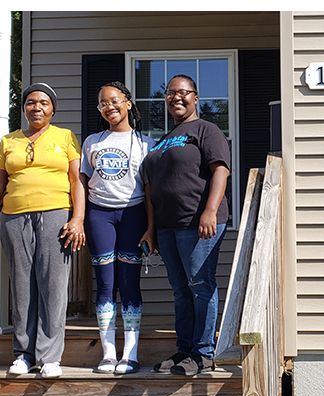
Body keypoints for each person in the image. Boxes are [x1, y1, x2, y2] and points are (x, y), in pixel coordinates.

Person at [0, 83, 85, 379]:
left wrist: (78, 219)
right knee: (21, 285)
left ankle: (49, 357)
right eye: (31, 102)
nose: (36, 107)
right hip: (14, 217)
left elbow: (77, 181)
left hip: (56, 213)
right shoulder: (9, 142)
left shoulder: (66, 138)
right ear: (24, 108)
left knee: (53, 285)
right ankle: (23, 354)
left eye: (43, 102)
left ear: (52, 109)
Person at [141, 74, 231, 376]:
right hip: (167, 227)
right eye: (170, 93)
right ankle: (184, 350)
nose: (176, 98)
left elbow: (220, 171)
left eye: (183, 92)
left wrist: (210, 210)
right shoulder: (163, 140)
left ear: (196, 97)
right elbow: (152, 188)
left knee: (200, 286)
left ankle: (203, 353)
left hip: (198, 223)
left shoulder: (207, 130)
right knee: (181, 290)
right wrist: (151, 230)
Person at [80, 82, 156, 375]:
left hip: (133, 214)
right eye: (102, 103)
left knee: (129, 283)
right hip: (100, 215)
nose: (109, 107)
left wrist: (151, 227)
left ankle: (131, 353)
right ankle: (108, 353)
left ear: (127, 102)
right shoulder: (92, 142)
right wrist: (80, 219)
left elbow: (149, 190)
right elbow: (82, 185)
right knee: (105, 284)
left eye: (114, 101)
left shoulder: (145, 143)